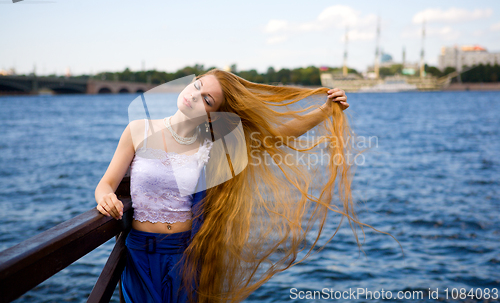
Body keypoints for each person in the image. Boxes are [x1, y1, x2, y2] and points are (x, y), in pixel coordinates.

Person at [94, 69, 392, 303]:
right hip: (137, 253)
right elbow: (106, 183)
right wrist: (106, 197)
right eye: (197, 86)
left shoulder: (216, 143)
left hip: (186, 254)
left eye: (207, 100)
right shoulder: (138, 129)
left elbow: (278, 135)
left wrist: (325, 111)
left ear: (214, 114)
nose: (194, 96)